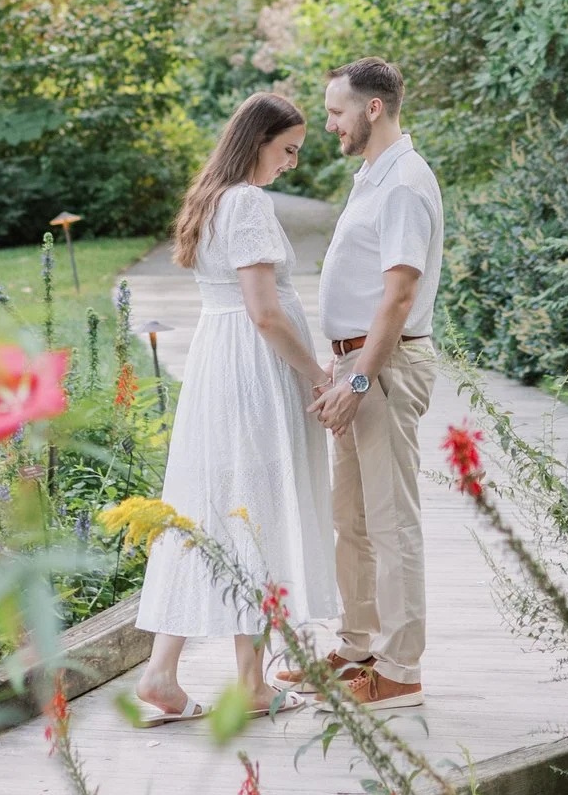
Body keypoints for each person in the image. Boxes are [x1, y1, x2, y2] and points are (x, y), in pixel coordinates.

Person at [131, 91, 337, 724]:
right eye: (288, 150)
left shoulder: (211, 198)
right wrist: (317, 372)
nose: (292, 164)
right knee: (254, 511)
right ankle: (247, 683)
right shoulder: (246, 202)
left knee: (216, 510)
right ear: (259, 141)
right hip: (254, 369)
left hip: (220, 365)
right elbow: (265, 312)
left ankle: (164, 672)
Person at [293, 57, 442, 711]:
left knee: (389, 519)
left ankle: (401, 669)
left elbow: (399, 294)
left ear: (372, 108)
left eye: (335, 111)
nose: (330, 124)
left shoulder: (405, 182)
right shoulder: (372, 177)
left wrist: (358, 376)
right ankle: (360, 647)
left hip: (380, 367)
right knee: (349, 519)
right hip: (352, 365)